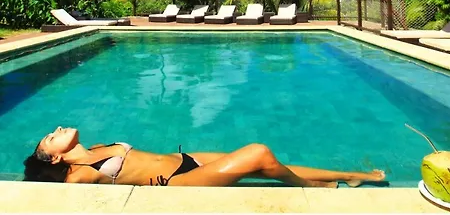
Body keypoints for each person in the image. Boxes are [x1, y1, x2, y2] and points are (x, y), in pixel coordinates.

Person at [23, 126, 386, 188]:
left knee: (268, 165)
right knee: (258, 153)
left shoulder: (99, 147)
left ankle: (351, 175)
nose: (58, 129)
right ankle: (309, 186)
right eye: (52, 138)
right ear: (54, 159)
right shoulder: (80, 174)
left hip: (184, 160)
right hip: (178, 181)